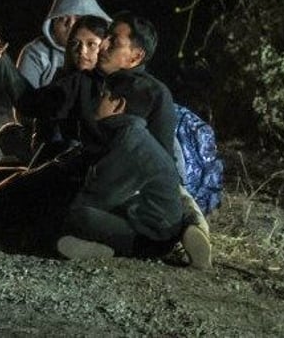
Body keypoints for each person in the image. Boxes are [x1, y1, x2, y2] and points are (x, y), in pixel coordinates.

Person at [0, 12, 212, 268]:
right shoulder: (83, 81)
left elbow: (157, 160)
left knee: (66, 214)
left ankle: (162, 234)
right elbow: (31, 104)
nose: (103, 45)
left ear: (136, 56)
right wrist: (2, 62)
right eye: (107, 37)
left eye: (114, 41)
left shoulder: (154, 95)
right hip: (82, 174)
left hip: (120, 191)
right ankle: (94, 241)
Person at [55, 71, 189, 262]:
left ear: (118, 105)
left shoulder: (130, 142)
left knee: (76, 214)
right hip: (145, 223)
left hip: (151, 237)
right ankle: (93, 246)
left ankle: (109, 249)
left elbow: (100, 195)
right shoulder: (129, 133)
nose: (96, 101)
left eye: (103, 96)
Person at [0, 14, 110, 164]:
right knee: (10, 134)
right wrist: (1, 59)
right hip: (58, 151)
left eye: (91, 44)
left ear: (105, 48)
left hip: (87, 159)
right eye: (75, 43)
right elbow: (29, 103)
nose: (82, 51)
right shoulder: (68, 78)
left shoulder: (111, 83)